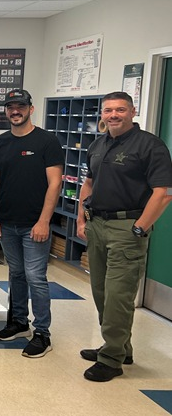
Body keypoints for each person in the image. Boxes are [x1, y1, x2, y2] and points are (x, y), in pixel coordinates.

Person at [76, 91, 172, 382]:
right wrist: (81, 218)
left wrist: (140, 227)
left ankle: (111, 359)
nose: (113, 115)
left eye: (120, 110)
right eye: (108, 110)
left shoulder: (150, 146)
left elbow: (164, 192)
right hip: (97, 225)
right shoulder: (98, 144)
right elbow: (88, 183)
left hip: (127, 227)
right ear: (102, 114)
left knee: (119, 295)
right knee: (101, 291)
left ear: (133, 111)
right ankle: (120, 346)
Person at [0, 89, 64, 359]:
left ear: (31, 109)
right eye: (10, 107)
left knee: (35, 277)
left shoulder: (47, 141)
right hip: (7, 222)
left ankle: (42, 332)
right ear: (6, 111)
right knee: (15, 274)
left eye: (20, 106)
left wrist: (44, 221)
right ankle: (19, 322)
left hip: (35, 224)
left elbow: (55, 182)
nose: (15, 111)